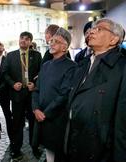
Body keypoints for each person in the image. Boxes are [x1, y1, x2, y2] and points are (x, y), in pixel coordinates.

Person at [65, 18, 126, 162]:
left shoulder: (122, 68)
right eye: (92, 28)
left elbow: (122, 124)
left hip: (101, 149)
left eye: (99, 29)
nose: (92, 31)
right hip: (75, 142)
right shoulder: (82, 64)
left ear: (114, 39)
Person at [32, 27, 76, 162]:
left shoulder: (72, 67)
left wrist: (45, 113)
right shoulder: (46, 65)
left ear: (65, 47)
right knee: (48, 151)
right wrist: (35, 109)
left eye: (56, 41)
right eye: (51, 40)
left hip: (56, 118)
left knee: (58, 152)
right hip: (41, 116)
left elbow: (64, 95)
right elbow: (36, 90)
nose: (51, 43)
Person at [2, 31, 42, 161]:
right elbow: (5, 73)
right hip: (17, 94)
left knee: (33, 122)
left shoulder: (37, 55)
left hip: (31, 95)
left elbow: (41, 73)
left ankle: (34, 147)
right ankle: (16, 148)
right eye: (21, 38)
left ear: (30, 42)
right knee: (17, 123)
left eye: (26, 39)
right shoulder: (11, 56)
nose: (23, 41)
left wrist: (34, 84)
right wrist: (13, 84)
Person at [0, 41, 13, 142]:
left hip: (4, 93)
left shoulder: (8, 60)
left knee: (8, 116)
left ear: (3, 48)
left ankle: (12, 139)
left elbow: (7, 77)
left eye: (0, 45)